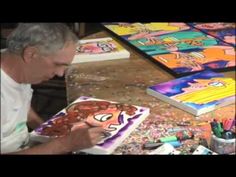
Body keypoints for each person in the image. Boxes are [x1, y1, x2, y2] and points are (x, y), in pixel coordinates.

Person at [0, 23, 106, 154]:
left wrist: (46, 129)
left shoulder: (14, 64)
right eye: (57, 65)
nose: (60, 73)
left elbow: (20, 105)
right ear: (31, 54)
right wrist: (65, 144)